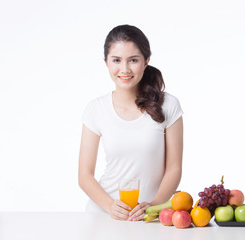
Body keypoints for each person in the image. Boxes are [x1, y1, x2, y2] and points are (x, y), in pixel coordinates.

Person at [78, 24, 184, 221]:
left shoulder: (168, 105)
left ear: (146, 61)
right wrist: (110, 206)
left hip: (151, 218)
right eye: (116, 60)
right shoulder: (96, 109)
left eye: (133, 60)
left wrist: (154, 206)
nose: (124, 69)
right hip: (104, 216)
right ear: (106, 62)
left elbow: (174, 168)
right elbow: (84, 175)